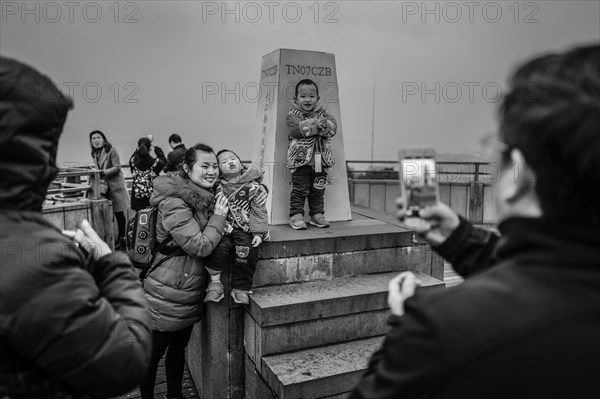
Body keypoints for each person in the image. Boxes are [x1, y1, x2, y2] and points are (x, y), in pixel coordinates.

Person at [351, 44, 600, 399]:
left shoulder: (441, 331)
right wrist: (458, 237)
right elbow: (554, 281)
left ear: (519, 173)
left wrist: (404, 326)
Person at [0, 56, 152, 398]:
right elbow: (125, 361)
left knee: (120, 221)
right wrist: (109, 263)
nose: (53, 167)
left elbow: (115, 171)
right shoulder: (34, 257)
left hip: (115, 195)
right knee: (114, 234)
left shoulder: (109, 153)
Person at [139, 143, 229, 399]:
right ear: (187, 169)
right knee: (153, 354)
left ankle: (175, 395)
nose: (212, 171)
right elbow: (199, 246)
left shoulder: (203, 197)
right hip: (166, 291)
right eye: (205, 166)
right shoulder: (175, 202)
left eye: (214, 166)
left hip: (186, 289)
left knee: (179, 348)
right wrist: (220, 216)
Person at [204, 149, 269, 305]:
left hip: (243, 229)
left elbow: (258, 210)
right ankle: (215, 283)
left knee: (247, 251)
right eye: (224, 162)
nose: (230, 162)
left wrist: (259, 232)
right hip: (223, 227)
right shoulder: (215, 187)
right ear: (219, 170)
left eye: (233, 159)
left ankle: (240, 288)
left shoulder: (254, 187)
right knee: (216, 247)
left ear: (241, 164)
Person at [286, 78, 337, 230]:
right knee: (299, 189)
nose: (307, 99)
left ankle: (317, 214)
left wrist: (325, 124)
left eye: (311, 96)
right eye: (303, 96)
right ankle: (296, 215)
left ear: (317, 98)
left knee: (318, 189)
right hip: (300, 161)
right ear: (296, 99)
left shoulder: (325, 114)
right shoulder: (292, 115)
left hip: (320, 160)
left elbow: (333, 128)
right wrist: (316, 125)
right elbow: (295, 130)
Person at [89, 129, 130, 249]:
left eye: (98, 137)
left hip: (115, 187)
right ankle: (110, 238)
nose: (96, 140)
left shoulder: (112, 151)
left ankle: (122, 238)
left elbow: (117, 167)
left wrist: (101, 172)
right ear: (91, 142)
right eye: (93, 138)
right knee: (108, 214)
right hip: (104, 188)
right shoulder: (95, 153)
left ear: (103, 140)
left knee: (119, 213)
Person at [129, 136, 167, 211]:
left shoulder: (132, 161)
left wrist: (138, 149)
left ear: (138, 148)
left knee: (138, 220)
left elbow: (134, 155)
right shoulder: (155, 163)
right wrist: (156, 147)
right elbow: (163, 160)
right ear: (150, 149)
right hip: (152, 199)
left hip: (137, 200)